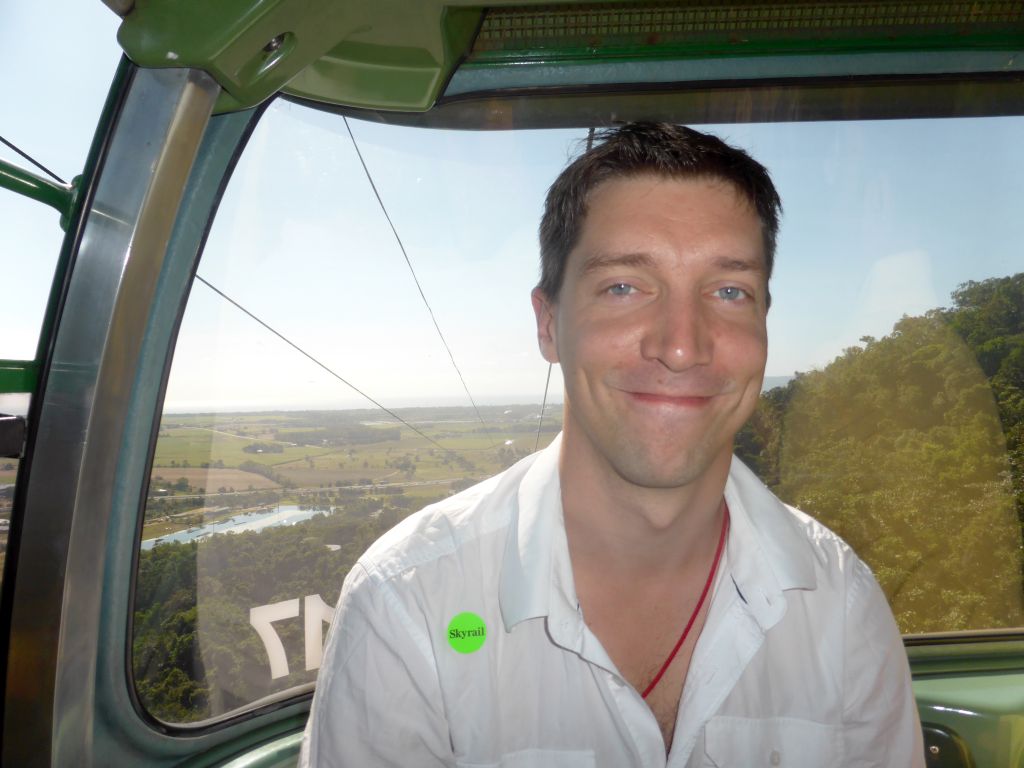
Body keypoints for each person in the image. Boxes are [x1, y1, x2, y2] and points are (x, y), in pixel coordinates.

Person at [300, 123, 924, 767]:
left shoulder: (840, 605)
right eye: (624, 286)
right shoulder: (407, 606)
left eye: (730, 291)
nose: (682, 346)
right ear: (549, 324)